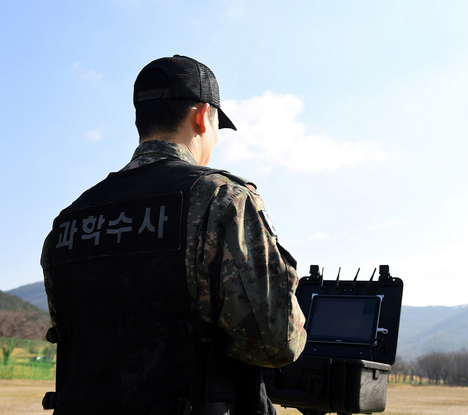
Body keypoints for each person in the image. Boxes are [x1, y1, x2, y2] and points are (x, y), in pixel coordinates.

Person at [41, 55, 307, 415]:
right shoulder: (221, 200)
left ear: (140, 121)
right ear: (202, 117)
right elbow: (275, 343)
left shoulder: (70, 221)